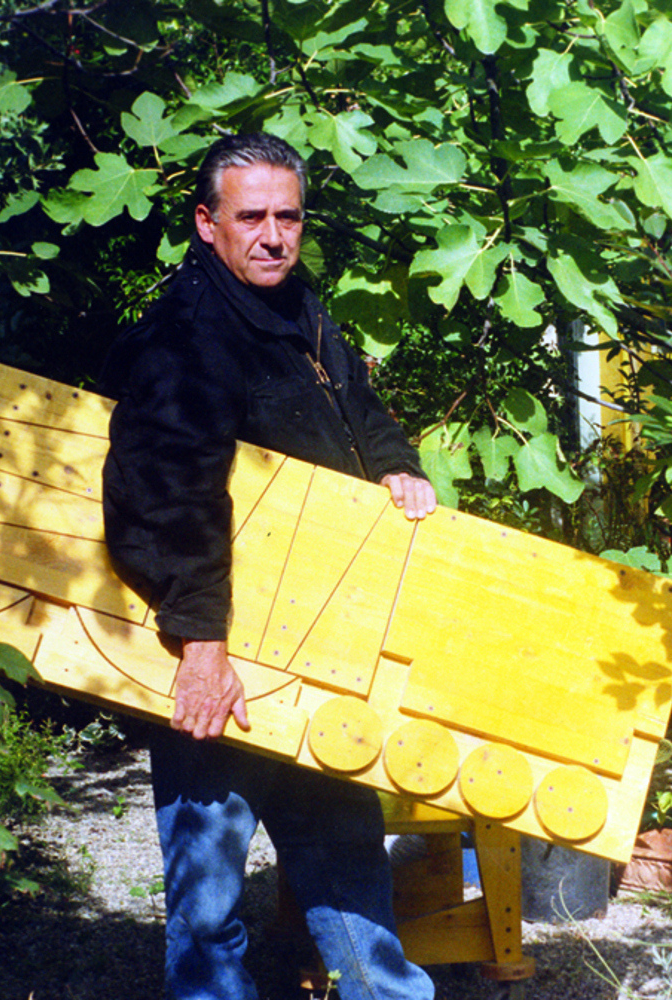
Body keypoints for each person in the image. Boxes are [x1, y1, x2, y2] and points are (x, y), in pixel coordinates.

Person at [100, 133, 437, 1000]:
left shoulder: (302, 312)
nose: (273, 235)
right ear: (208, 224)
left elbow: (362, 405)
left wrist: (396, 464)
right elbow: (164, 495)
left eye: (288, 216)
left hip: (321, 651)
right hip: (218, 661)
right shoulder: (188, 334)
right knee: (208, 919)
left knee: (355, 891)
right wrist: (203, 646)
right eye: (251, 217)